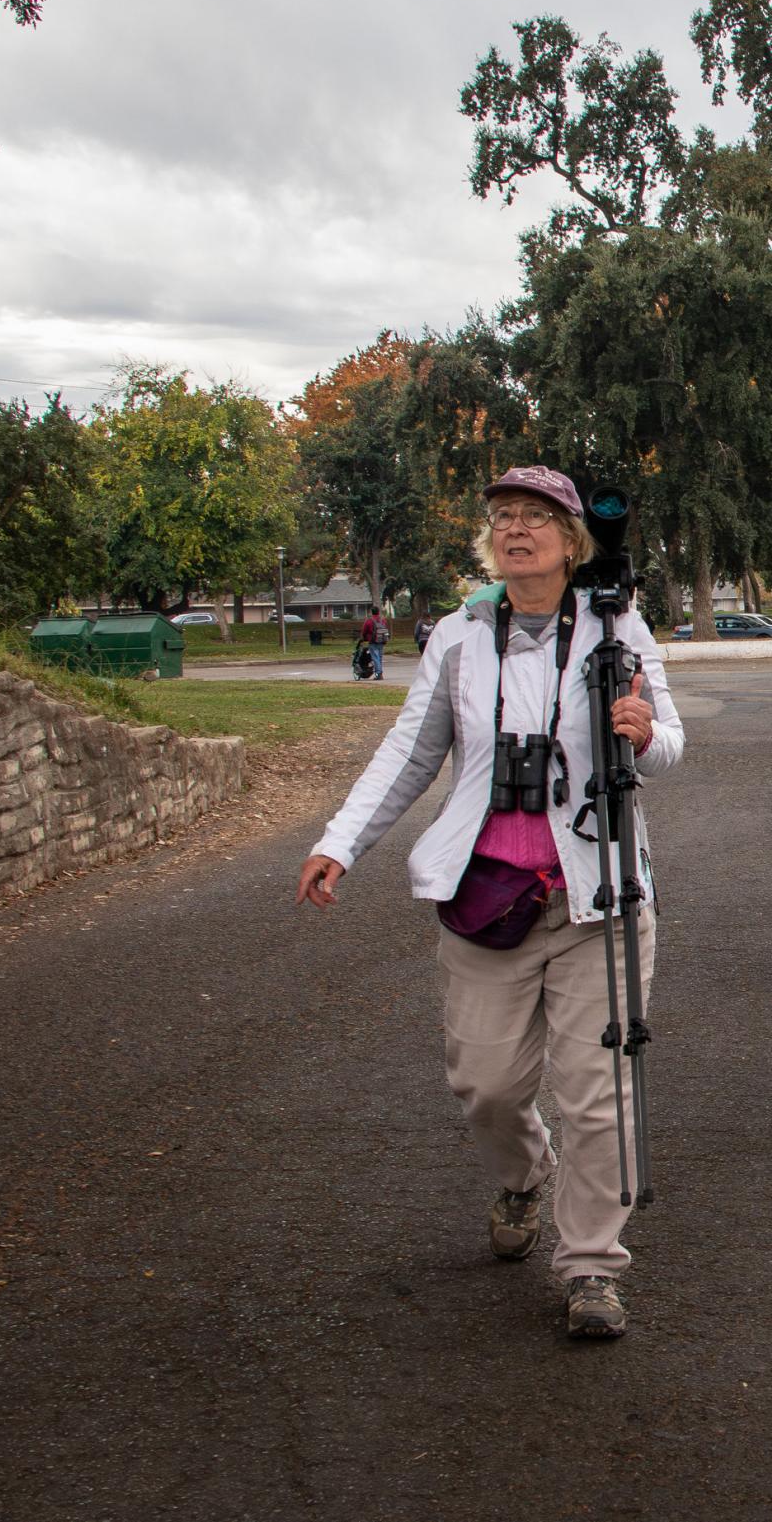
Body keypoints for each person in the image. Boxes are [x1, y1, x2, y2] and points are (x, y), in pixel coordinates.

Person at [294, 465, 682, 1341]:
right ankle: (522, 1173)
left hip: (599, 895)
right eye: (504, 516)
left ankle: (591, 1266)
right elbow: (409, 750)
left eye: (537, 517)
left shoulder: (618, 625)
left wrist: (646, 733)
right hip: (487, 896)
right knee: (488, 1088)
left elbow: (671, 743)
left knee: (599, 1092)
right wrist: (339, 839)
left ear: (571, 539)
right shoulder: (461, 637)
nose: (517, 529)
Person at [360, 605, 389, 679]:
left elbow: (364, 631)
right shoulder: (383, 620)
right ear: (378, 612)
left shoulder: (369, 621)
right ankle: (380, 673)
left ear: (371, 612)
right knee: (379, 657)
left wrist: (364, 638)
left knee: (375, 658)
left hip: (373, 641)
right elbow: (386, 629)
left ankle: (379, 674)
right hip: (381, 641)